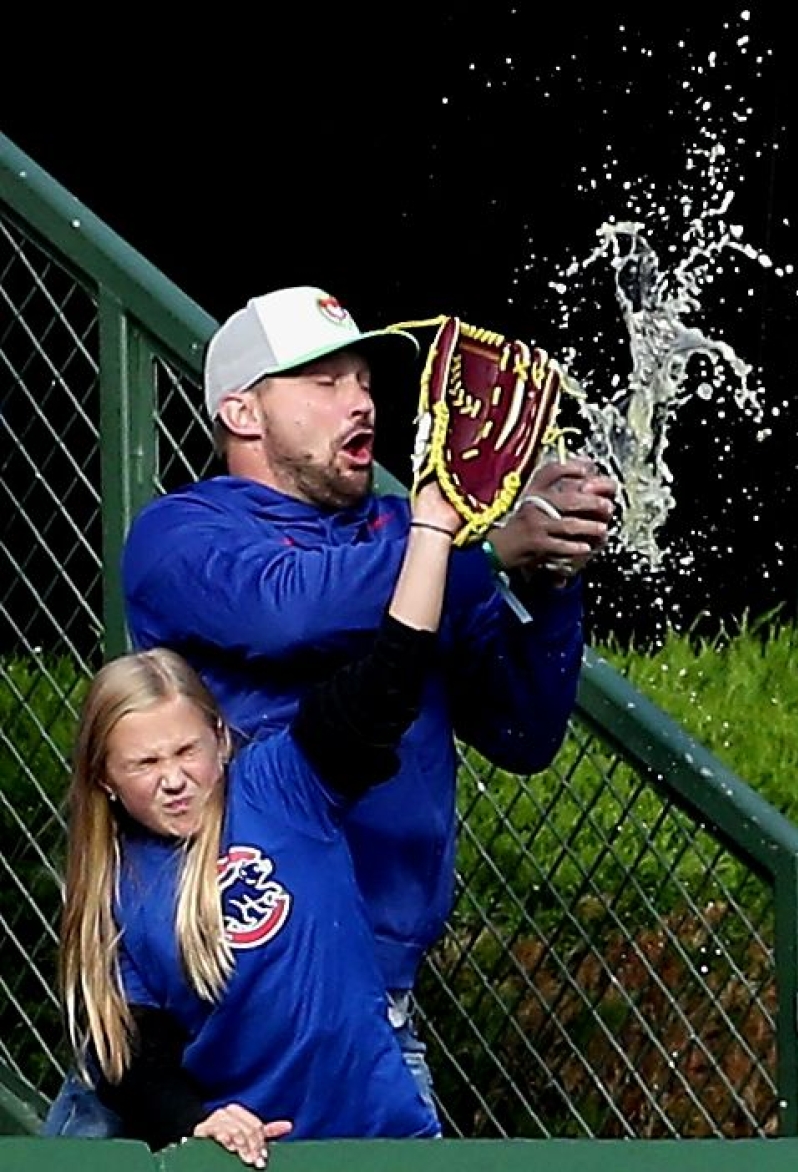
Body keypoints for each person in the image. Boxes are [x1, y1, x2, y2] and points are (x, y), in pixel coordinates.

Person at [43, 285, 616, 1137]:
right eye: (322, 382)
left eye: (364, 382)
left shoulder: (412, 534)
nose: (360, 401)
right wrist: (472, 548)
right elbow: (291, 610)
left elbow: (521, 730)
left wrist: (547, 578)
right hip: (201, 1002)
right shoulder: (181, 532)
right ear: (242, 410)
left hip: (365, 1013)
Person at [58, 479, 462, 1165]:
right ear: (104, 779)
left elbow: (387, 681)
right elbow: (132, 1049)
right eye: (144, 762)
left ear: (220, 739)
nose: (173, 776)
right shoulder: (117, 882)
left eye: (186, 750)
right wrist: (198, 1120)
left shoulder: (279, 785)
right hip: (249, 1149)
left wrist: (431, 530)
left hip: (376, 1134)